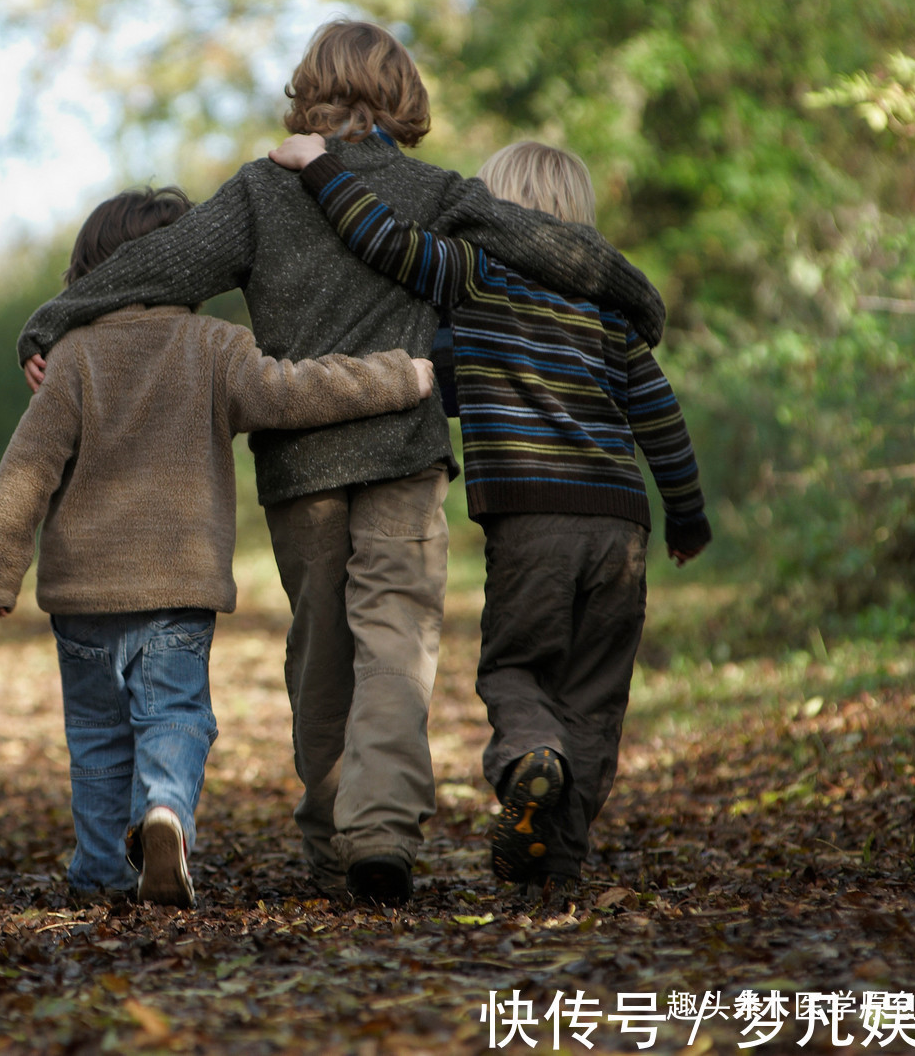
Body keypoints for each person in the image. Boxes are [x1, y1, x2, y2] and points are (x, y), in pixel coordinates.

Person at [16, 20, 667, 906]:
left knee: (322, 656)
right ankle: (382, 834)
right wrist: (639, 300)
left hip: (302, 472)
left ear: (308, 91)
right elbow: (559, 249)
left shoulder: (257, 194)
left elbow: (157, 266)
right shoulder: (434, 191)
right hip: (404, 458)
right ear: (402, 96)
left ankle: (331, 844)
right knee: (398, 648)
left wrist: (50, 320)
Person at [269, 132, 712, 904]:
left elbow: (386, 242)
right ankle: (558, 860)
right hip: (622, 531)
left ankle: (531, 757)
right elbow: (660, 418)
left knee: (516, 669)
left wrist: (322, 168)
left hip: (531, 522)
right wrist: (688, 514)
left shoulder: (476, 274)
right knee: (596, 695)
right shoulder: (609, 307)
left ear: (492, 208)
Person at [0, 185, 435, 908]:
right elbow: (293, 393)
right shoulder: (214, 347)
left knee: (95, 738)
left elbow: (25, 470)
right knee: (176, 716)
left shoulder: (74, 358)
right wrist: (398, 377)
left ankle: (100, 870)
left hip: (82, 598)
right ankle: (165, 814)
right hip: (177, 588)